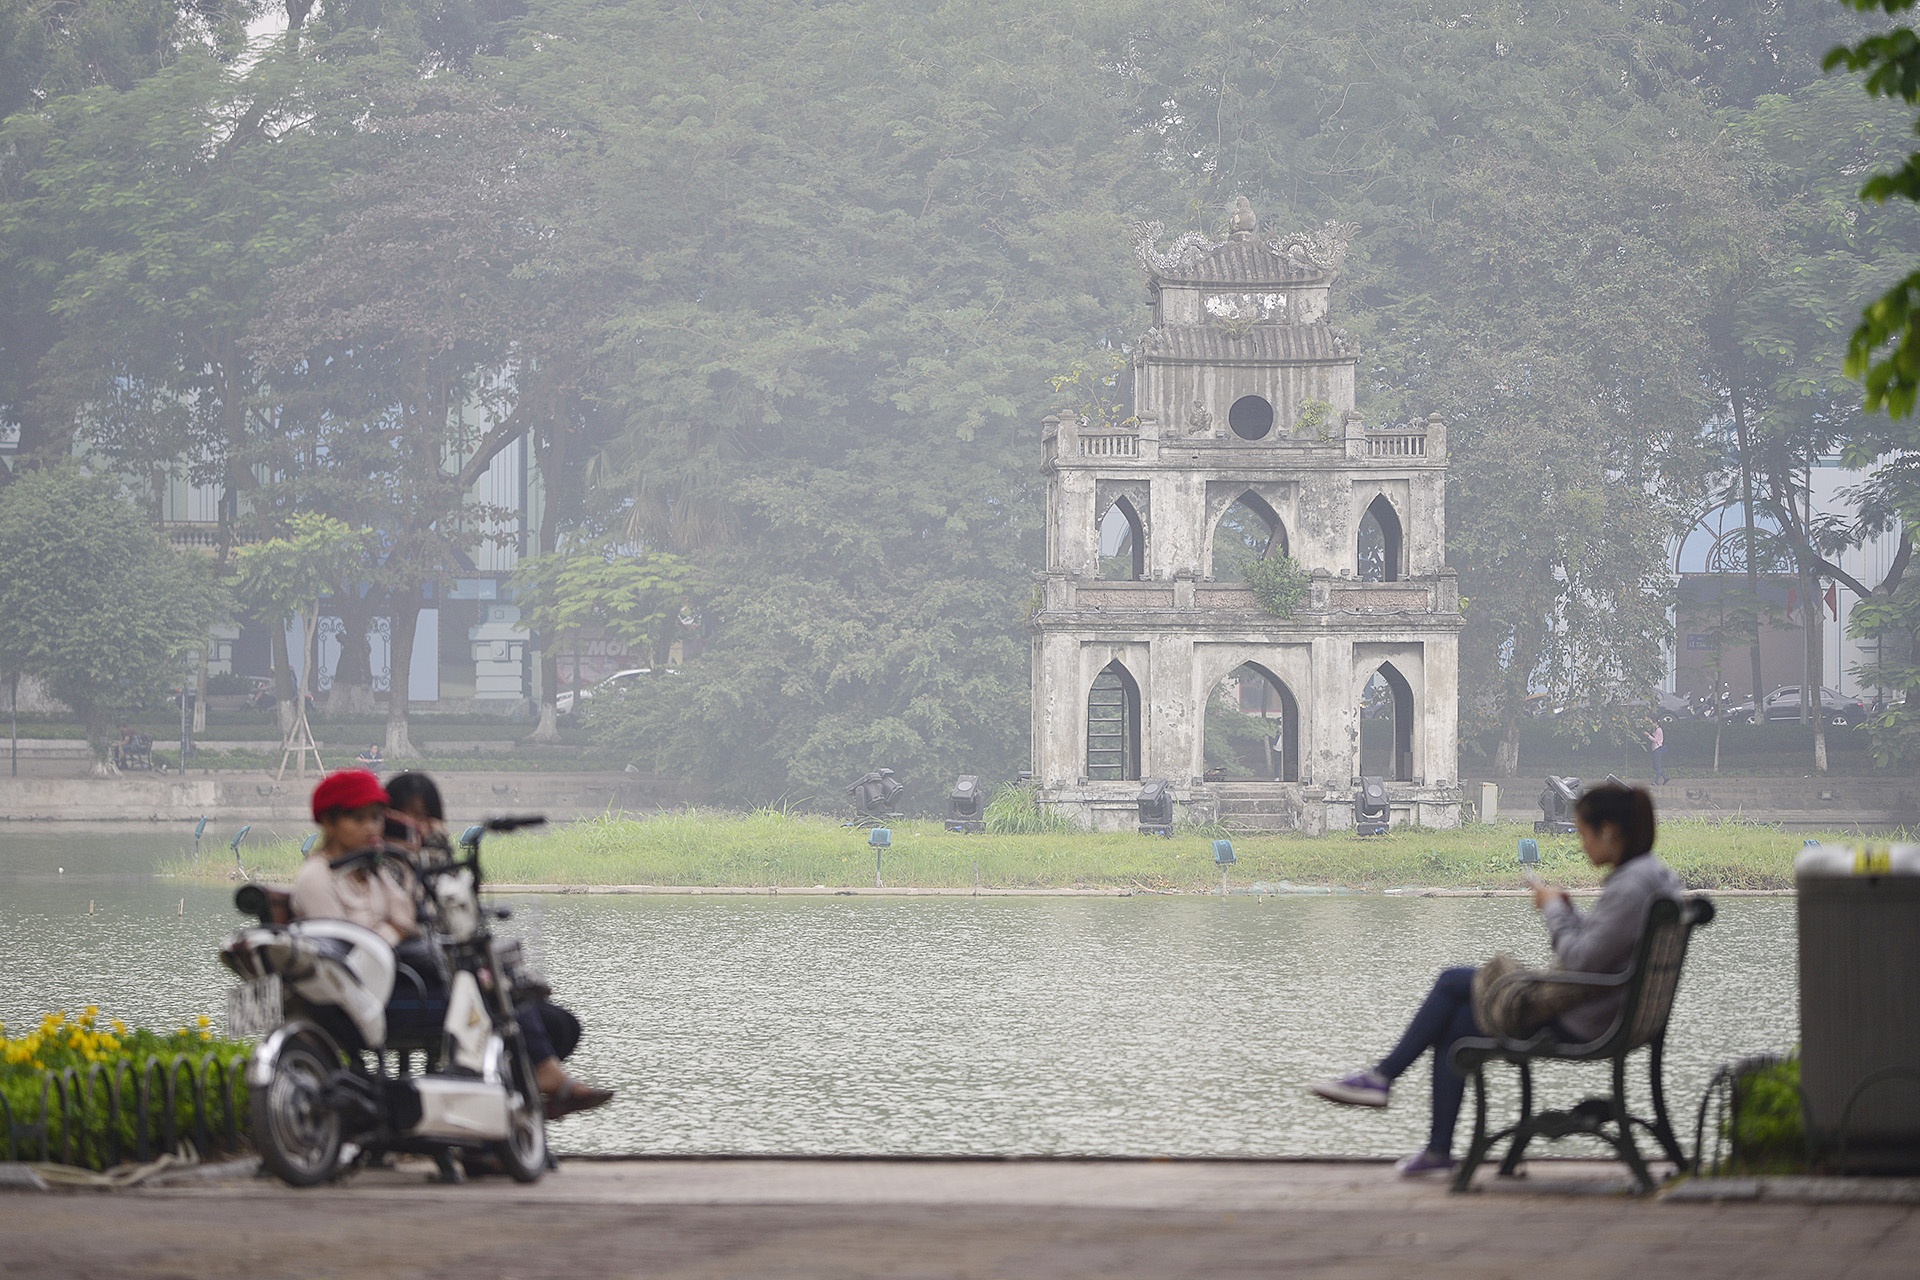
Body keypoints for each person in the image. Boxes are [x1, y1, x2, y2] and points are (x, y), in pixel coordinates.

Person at [1309, 783, 1680, 1177]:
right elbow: (1602, 950)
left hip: (1586, 1021)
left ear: (1607, 831)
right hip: (1611, 1011)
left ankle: (1387, 1083)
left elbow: (1579, 960)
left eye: (1584, 834)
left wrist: (1553, 911)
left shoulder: (1629, 885)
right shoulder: (1653, 875)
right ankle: (1417, 1125)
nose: (1582, 845)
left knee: (1451, 984)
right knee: (1455, 1020)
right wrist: (1568, 911)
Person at [293, 769, 612, 1119]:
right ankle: (537, 1086)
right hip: (372, 997)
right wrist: (391, 930)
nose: (372, 828)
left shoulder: (372, 869)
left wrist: (410, 873)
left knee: (541, 1016)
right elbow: (345, 952)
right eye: (359, 819)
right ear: (329, 822)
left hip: (404, 981)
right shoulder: (317, 878)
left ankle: (516, 1106)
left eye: (375, 818)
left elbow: (407, 918)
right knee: (495, 1002)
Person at [1644, 718, 1668, 785]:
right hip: (1655, 749)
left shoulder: (1659, 730)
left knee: (1657, 766)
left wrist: (1648, 735)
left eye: (1652, 723)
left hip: (1657, 748)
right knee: (1655, 766)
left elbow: (1655, 740)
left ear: (1656, 723)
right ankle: (1665, 777)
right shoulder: (1655, 730)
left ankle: (1656, 782)